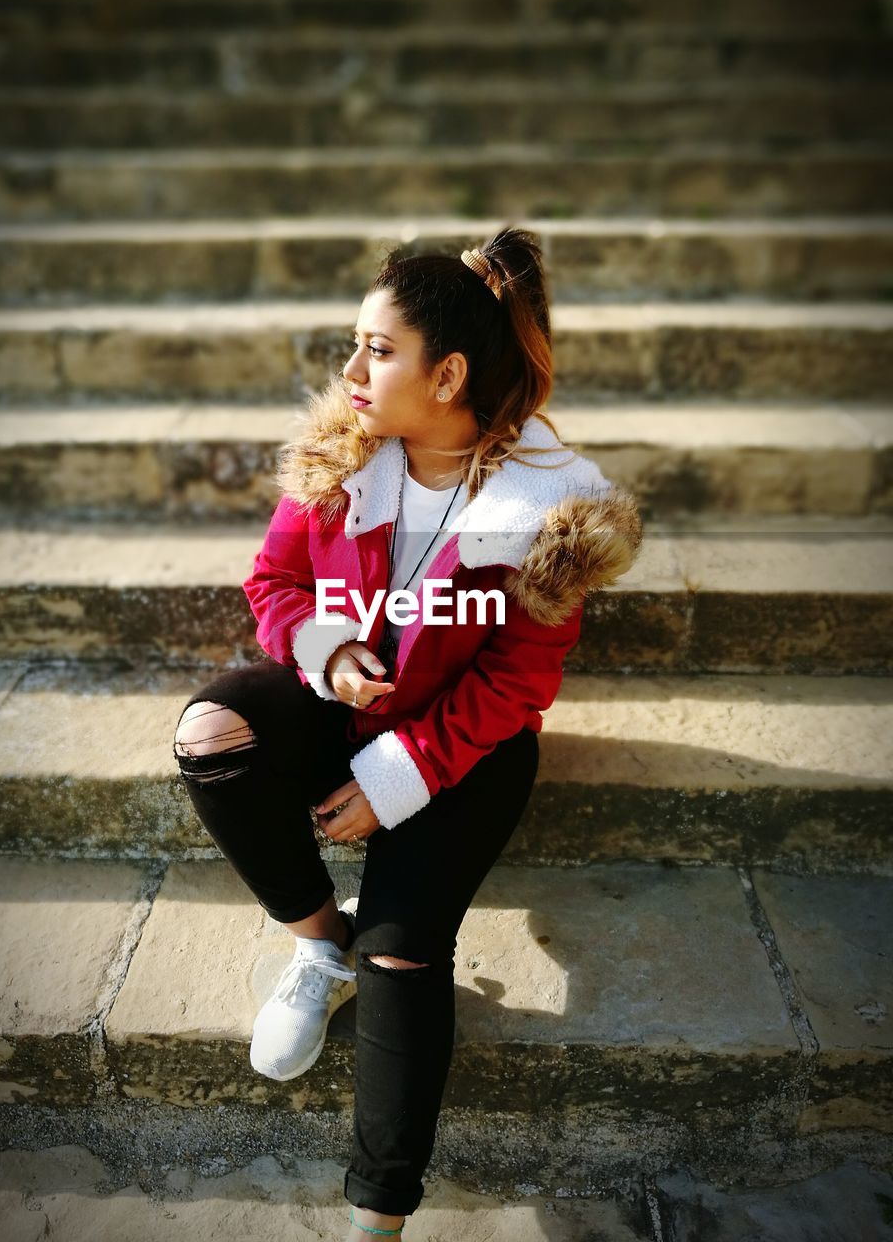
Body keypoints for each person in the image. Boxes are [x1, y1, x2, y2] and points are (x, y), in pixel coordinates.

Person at [172, 226, 643, 1240]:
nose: (350, 370)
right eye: (355, 343)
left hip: (464, 751)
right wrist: (329, 646)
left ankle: (374, 1221)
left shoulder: (545, 510)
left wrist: (399, 776)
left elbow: (518, 680)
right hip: (339, 702)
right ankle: (317, 943)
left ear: (451, 373)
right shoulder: (344, 455)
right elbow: (275, 583)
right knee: (212, 732)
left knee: (408, 960)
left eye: (377, 350)